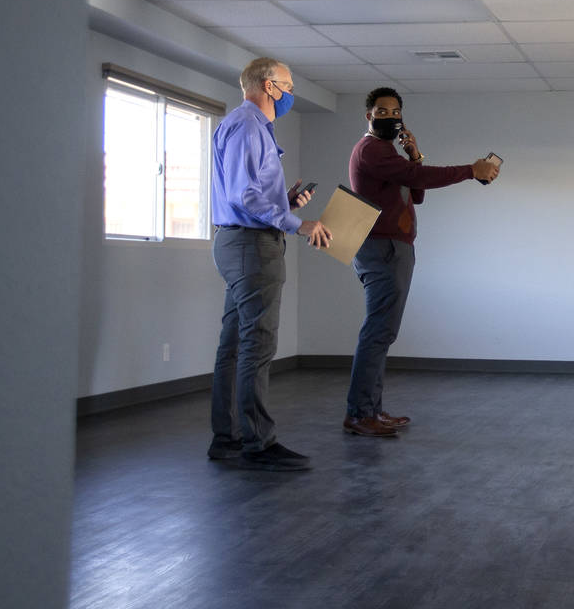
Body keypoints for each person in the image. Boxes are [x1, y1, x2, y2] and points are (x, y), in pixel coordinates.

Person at [343, 87, 500, 437]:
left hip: (392, 247)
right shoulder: (369, 149)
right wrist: (470, 170)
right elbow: (419, 180)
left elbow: (416, 194)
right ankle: (359, 413)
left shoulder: (387, 152)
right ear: (368, 116)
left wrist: (414, 154)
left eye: (395, 111)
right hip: (381, 248)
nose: (389, 116)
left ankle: (371, 409)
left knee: (381, 332)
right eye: (382, 111)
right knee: (378, 332)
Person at [208, 57, 332, 470]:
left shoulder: (247, 126)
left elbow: (249, 193)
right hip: (251, 246)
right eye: (289, 85)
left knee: (234, 344)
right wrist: (298, 223)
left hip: (238, 242)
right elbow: (245, 197)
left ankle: (227, 439)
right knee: (257, 346)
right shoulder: (247, 125)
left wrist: (286, 201)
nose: (292, 92)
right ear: (268, 85)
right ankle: (258, 443)